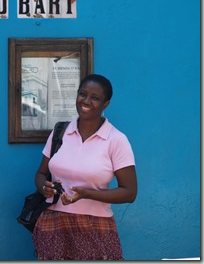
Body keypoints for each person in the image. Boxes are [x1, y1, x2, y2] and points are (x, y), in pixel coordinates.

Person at [33, 74, 137, 260]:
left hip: (95, 227)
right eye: (82, 94)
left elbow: (130, 192)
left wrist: (87, 194)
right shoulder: (60, 132)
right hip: (53, 223)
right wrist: (44, 188)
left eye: (95, 98)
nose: (86, 101)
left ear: (106, 104)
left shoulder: (116, 140)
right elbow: (41, 174)